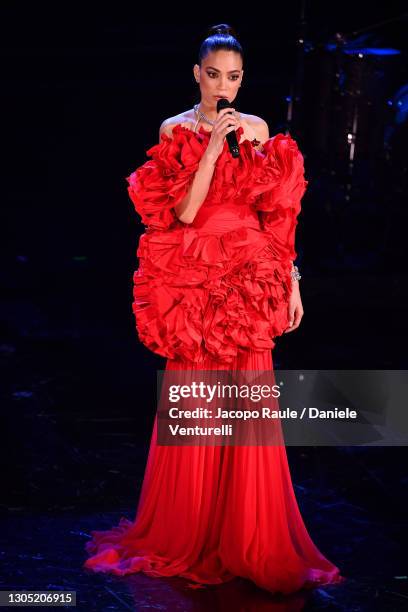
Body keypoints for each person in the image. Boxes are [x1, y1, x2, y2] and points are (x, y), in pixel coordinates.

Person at [83, 24, 346, 594]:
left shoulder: (257, 130)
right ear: (197, 75)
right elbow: (181, 212)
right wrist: (208, 149)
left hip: (251, 277)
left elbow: (279, 215)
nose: (223, 86)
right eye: (213, 75)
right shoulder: (175, 129)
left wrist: (293, 280)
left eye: (233, 77)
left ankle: (248, 536)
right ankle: (190, 531)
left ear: (242, 79)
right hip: (197, 278)